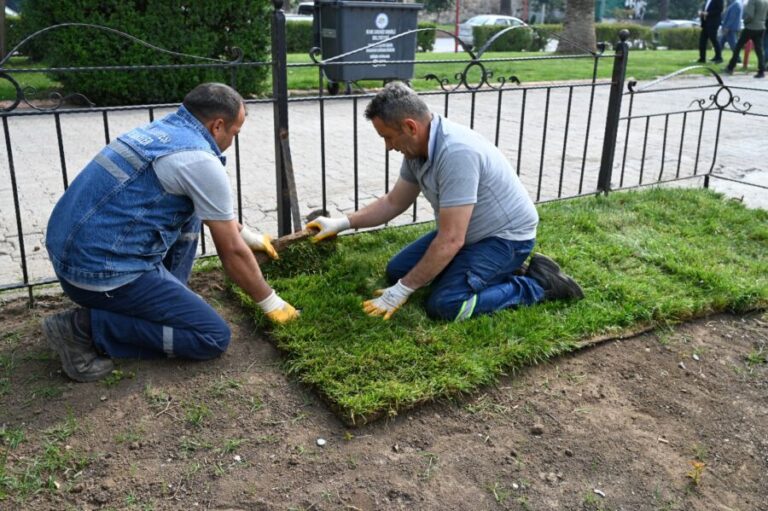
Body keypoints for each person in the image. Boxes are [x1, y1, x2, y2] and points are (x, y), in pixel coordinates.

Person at [43, 82, 298, 382]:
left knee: (189, 210)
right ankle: (82, 328)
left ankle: (162, 302)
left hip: (71, 256)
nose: (233, 140)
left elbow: (215, 215)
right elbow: (231, 252)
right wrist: (271, 302)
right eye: (235, 133)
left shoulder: (164, 131)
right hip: (97, 275)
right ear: (218, 125)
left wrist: (248, 235)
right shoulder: (198, 160)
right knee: (211, 337)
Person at [306, 82, 583, 322]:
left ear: (410, 126)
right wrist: (341, 223)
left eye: (388, 138)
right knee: (397, 271)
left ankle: (537, 284)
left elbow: (450, 240)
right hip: (470, 234)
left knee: (446, 305)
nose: (388, 147)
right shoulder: (417, 150)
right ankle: (494, 271)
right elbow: (393, 202)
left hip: (506, 239)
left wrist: (402, 292)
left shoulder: (456, 153)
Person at [724, 0, 768, 78]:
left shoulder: (752, 1)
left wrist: (745, 22)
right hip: (761, 27)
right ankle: (761, 70)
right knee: (759, 50)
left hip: (751, 27)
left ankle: (730, 67)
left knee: (738, 47)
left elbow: (750, 15)